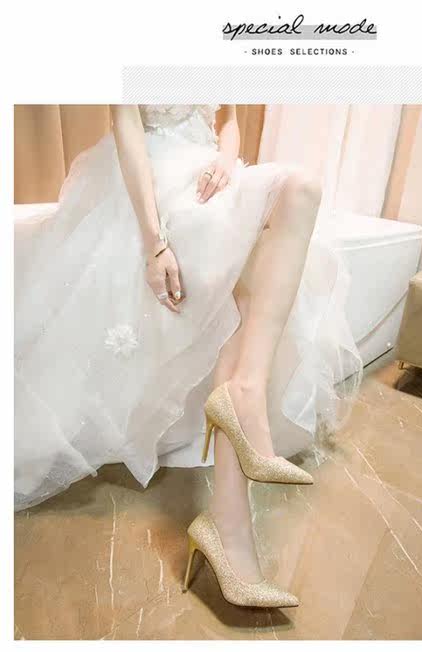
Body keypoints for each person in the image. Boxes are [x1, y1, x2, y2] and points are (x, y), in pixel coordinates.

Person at [14, 104, 362, 607]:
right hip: (146, 183)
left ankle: (243, 393)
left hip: (208, 172)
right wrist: (154, 244)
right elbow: (126, 123)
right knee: (242, 268)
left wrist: (227, 158)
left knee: (301, 190)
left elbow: (230, 119)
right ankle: (230, 530)